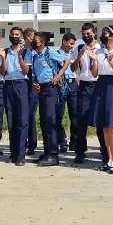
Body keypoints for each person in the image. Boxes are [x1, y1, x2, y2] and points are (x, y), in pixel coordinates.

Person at [89, 25, 113, 174]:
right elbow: (94, 74)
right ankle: (109, 158)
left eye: (108, 34)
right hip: (101, 85)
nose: (105, 36)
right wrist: (95, 61)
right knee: (104, 126)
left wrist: (112, 62)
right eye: (104, 34)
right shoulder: (98, 51)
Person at [31, 31, 70, 166]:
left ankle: (53, 154)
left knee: (50, 119)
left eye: (36, 39)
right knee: (44, 121)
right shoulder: (36, 56)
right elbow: (36, 72)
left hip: (51, 88)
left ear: (42, 42)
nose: (33, 41)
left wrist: (59, 75)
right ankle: (47, 152)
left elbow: (66, 61)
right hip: (41, 88)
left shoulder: (50, 53)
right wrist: (34, 82)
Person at [71, 22, 105, 164]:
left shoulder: (102, 49)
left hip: (99, 85)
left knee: (101, 121)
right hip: (85, 86)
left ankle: (105, 151)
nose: (86, 36)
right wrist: (79, 57)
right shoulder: (80, 48)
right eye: (84, 34)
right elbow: (73, 68)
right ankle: (80, 152)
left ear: (95, 33)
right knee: (81, 121)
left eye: (88, 34)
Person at [3, 27, 32, 166]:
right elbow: (3, 71)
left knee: (22, 120)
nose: (14, 36)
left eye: (17, 35)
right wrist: (3, 58)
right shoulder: (6, 51)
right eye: (12, 34)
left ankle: (21, 155)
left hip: (21, 85)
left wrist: (20, 57)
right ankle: (13, 153)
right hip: (8, 85)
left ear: (21, 37)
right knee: (11, 120)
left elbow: (26, 70)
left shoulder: (26, 51)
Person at [55, 33, 78, 154]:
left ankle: (74, 142)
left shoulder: (73, 54)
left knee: (74, 115)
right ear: (64, 41)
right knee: (59, 114)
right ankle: (62, 142)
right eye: (70, 43)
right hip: (62, 84)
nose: (71, 46)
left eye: (73, 44)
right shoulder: (56, 54)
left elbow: (76, 69)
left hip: (73, 83)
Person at [23, 28, 39, 155]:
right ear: (27, 38)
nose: (35, 40)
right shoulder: (22, 51)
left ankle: (32, 143)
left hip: (34, 81)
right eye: (33, 37)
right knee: (23, 114)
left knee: (31, 114)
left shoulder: (37, 52)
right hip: (23, 82)